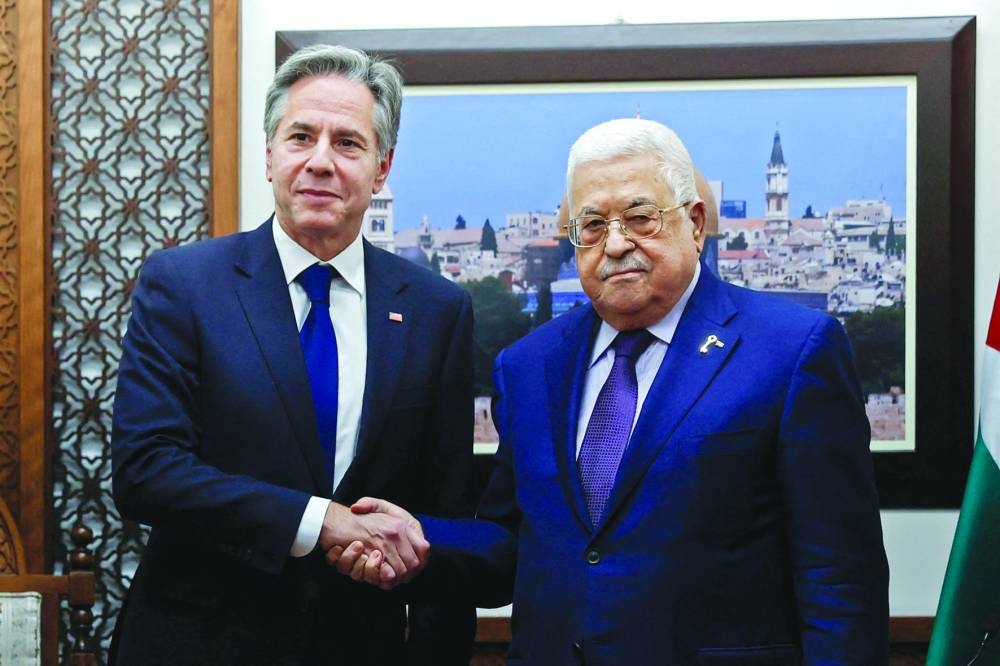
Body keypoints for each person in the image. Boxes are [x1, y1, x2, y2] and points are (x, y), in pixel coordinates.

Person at [342, 118, 890, 664]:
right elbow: (517, 547)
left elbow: (839, 576)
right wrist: (417, 544)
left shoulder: (792, 350)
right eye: (593, 225)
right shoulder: (530, 366)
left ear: (695, 223)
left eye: (640, 217)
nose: (616, 243)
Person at [109, 44, 475, 665]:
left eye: (349, 143)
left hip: (361, 647)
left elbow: (445, 515)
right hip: (197, 643)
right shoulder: (185, 284)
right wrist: (319, 522)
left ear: (381, 169)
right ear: (270, 155)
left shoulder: (437, 310)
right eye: (301, 136)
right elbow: (146, 472)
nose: (321, 162)